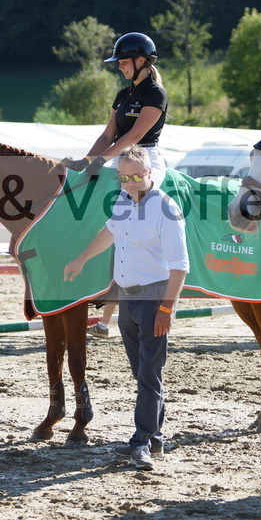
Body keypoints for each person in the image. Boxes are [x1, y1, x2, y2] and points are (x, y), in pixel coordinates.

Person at [63, 146, 188, 471]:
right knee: (143, 373)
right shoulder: (121, 200)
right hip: (128, 299)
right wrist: (81, 258)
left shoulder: (166, 209)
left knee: (149, 373)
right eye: (123, 177)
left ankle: (141, 442)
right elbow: (109, 232)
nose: (129, 182)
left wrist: (166, 308)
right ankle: (155, 436)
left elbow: (179, 266)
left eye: (135, 176)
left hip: (154, 299)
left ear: (148, 173)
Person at [66, 32, 170, 340]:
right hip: (117, 158)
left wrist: (102, 161)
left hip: (144, 159)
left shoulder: (155, 94)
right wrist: (88, 160)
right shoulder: (124, 95)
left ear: (141, 61)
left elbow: (134, 136)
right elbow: (108, 133)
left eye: (123, 62)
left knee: (133, 209)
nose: (119, 67)